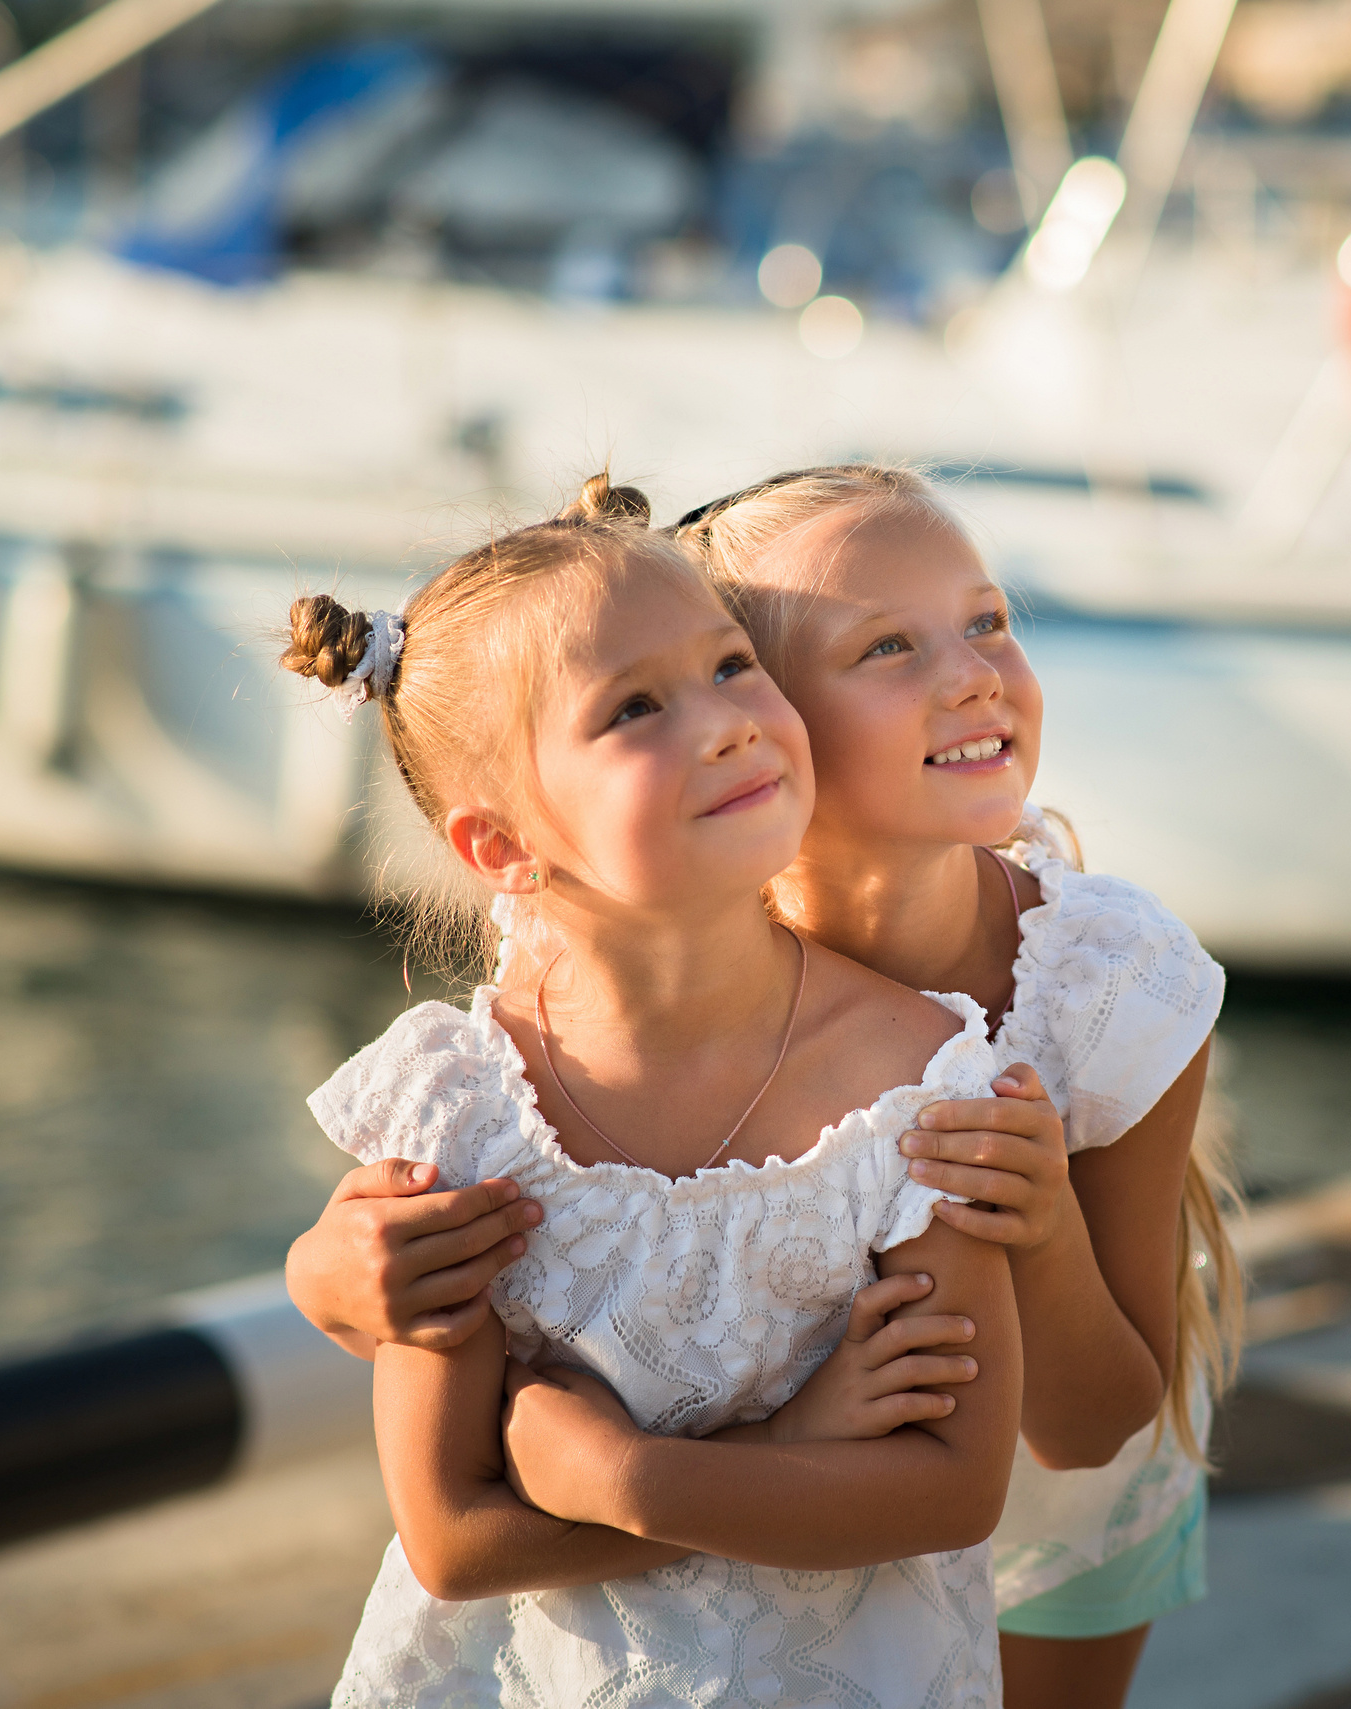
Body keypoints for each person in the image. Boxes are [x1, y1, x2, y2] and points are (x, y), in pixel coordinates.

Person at [289, 464, 1242, 1709]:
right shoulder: (631, 940)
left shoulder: (1100, 986)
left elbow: (1086, 1425)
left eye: (988, 619)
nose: (971, 673)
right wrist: (329, 1274)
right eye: (888, 645)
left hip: (1059, 1512)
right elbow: (517, 1218)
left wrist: (1043, 1225)